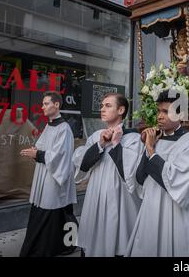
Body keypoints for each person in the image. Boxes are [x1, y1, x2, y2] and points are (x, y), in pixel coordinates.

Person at [126, 91, 189, 256]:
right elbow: (140, 178)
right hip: (152, 210)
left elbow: (178, 181)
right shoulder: (155, 140)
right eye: (159, 111)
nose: (159, 116)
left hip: (179, 215)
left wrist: (151, 151)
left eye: (166, 112)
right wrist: (149, 148)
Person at [73, 93, 142, 257]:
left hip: (121, 201)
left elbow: (131, 173)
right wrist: (101, 143)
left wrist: (117, 144)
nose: (102, 109)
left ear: (121, 110)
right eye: (102, 105)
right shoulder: (96, 136)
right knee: (94, 239)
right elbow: (83, 164)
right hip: (95, 197)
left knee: (118, 240)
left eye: (108, 105)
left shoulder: (133, 138)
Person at [19, 91, 77, 257]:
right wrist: (35, 150)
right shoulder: (50, 125)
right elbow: (44, 147)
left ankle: (45, 249)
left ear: (56, 105)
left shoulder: (64, 129)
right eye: (43, 104)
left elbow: (60, 156)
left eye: (46, 103)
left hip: (53, 180)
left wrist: (37, 154)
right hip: (45, 176)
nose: (43, 107)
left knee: (50, 212)